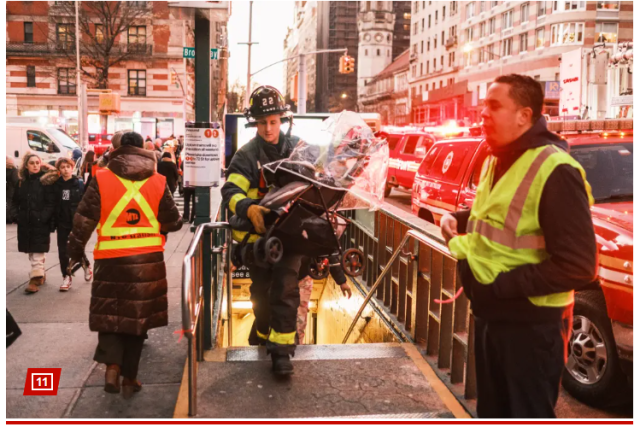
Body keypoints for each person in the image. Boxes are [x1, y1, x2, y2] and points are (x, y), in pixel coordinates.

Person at [441, 74, 597, 418]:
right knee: (495, 414)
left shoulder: (555, 169)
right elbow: (503, 213)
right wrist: (458, 218)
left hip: (530, 326)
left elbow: (579, 266)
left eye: (494, 106)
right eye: (484, 105)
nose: (483, 113)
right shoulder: (496, 159)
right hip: (492, 317)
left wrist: (499, 287)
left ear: (524, 115)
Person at [67, 132, 183, 399]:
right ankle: (130, 378)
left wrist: (74, 251)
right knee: (136, 319)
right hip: (148, 260)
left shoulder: (102, 178)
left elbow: (84, 218)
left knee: (111, 313)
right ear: (143, 149)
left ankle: (111, 366)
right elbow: (174, 221)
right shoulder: (158, 180)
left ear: (116, 149)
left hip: (110, 258)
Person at [222, 85, 302, 375]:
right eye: (262, 123)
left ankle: (282, 355)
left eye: (273, 121)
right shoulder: (245, 156)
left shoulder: (297, 149)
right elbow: (230, 191)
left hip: (290, 238)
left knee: (285, 290)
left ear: (282, 120)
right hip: (257, 243)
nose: (268, 128)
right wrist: (249, 208)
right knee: (261, 295)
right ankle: (263, 334)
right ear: (254, 123)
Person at [42, 158, 92, 291]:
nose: (65, 169)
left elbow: (85, 203)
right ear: (59, 169)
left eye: (68, 166)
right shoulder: (55, 185)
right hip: (61, 222)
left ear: (72, 168)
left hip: (75, 222)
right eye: (62, 167)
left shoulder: (79, 184)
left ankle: (86, 264)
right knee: (63, 251)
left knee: (76, 248)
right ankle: (66, 276)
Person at [10, 153, 56, 294]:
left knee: (37, 249)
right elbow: (14, 201)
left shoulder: (45, 181)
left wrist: (42, 217)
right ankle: (40, 273)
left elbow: (50, 203)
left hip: (40, 222)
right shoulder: (21, 182)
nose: (35, 165)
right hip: (25, 221)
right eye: (32, 163)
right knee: (32, 250)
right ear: (26, 165)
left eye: (37, 162)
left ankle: (35, 278)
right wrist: (16, 216)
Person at [296, 256, 351, 344]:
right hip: (290, 276)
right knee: (295, 318)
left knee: (299, 320)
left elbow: (329, 253)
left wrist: (342, 281)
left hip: (300, 277)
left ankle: (295, 348)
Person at [6, 156, 19, 224]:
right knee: (9, 203)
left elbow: (15, 181)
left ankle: (8, 217)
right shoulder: (14, 170)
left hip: (9, 189)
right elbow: (15, 181)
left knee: (9, 203)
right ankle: (9, 218)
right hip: (10, 189)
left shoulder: (12, 170)